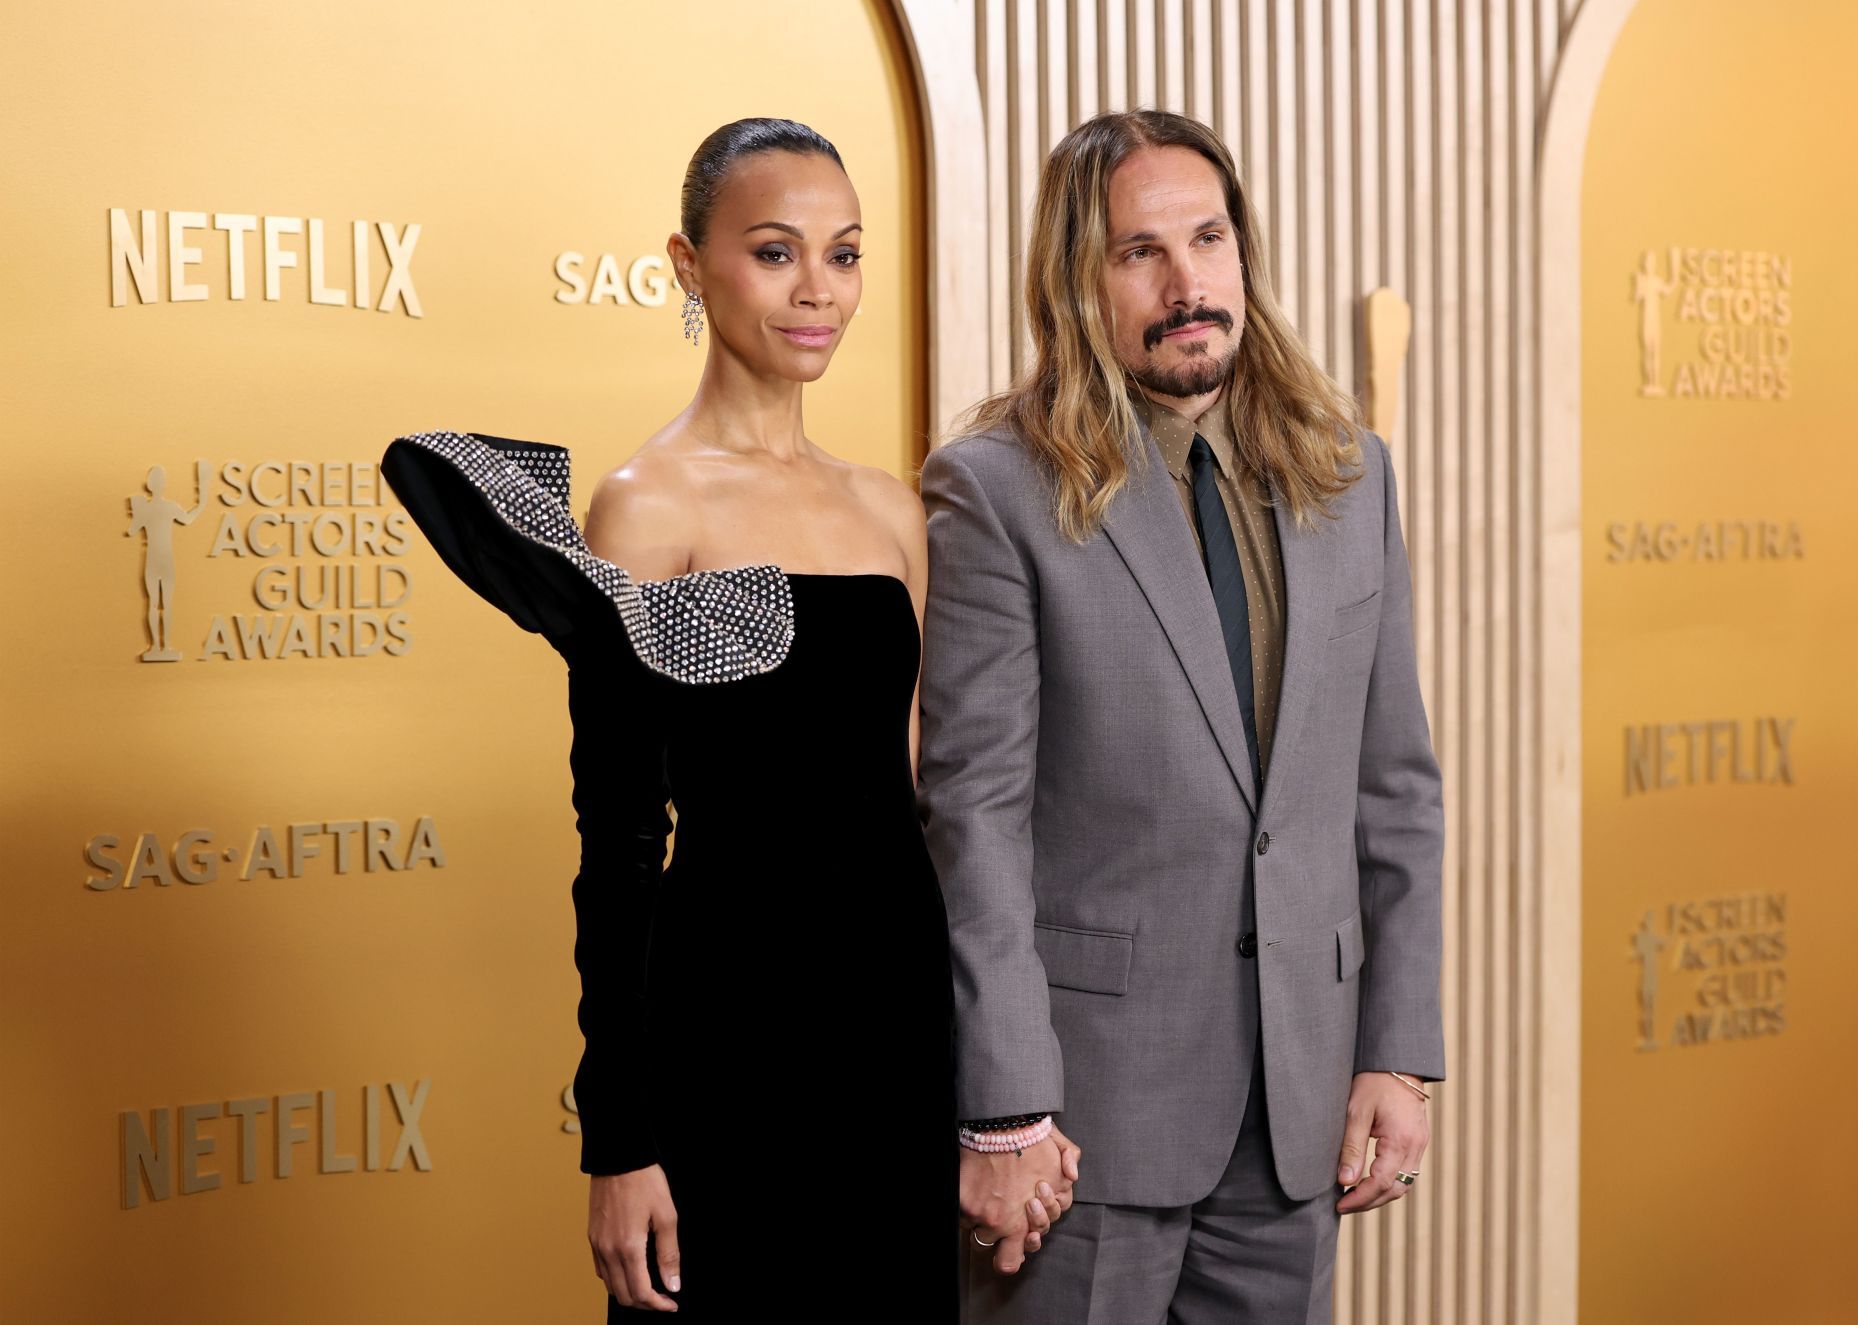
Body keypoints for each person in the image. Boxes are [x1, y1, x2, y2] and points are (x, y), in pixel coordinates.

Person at [382, 118, 1033, 1319]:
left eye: (843, 255)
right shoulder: (645, 505)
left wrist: (991, 1083)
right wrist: (618, 1143)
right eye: (777, 252)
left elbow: (929, 804)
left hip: (893, 1031)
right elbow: (618, 844)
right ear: (690, 266)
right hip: (726, 1031)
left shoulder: (894, 511)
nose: (819, 292)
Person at [918, 109, 1446, 1323]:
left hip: (1297, 1111)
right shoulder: (997, 488)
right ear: (1075, 282)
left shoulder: (1349, 475)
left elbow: (1394, 788)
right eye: (1137, 252)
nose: (1186, 282)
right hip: (1081, 1128)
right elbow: (975, 815)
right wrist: (1004, 1104)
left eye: (1207, 239)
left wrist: (1398, 1048)